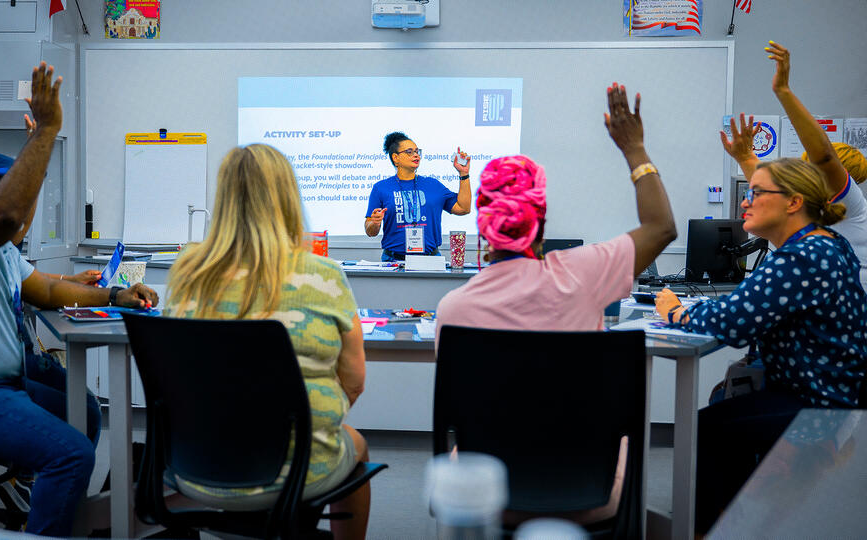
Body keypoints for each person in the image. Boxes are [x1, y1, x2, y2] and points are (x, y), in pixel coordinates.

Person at [0, 63, 158, 537]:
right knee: (71, 452)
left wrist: (116, 292)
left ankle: (59, 508)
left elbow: (46, 288)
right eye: (12, 194)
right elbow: (6, 218)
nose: (25, 210)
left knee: (80, 407)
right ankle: (54, 512)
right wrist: (46, 131)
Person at [435, 83, 677, 524]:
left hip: (489, 498)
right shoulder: (585, 275)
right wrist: (635, 149)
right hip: (589, 488)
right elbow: (661, 227)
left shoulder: (453, 309)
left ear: (483, 222)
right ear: (541, 219)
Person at [165, 143, 370, 540]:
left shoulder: (187, 276)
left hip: (200, 464)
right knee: (357, 445)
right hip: (299, 467)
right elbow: (355, 382)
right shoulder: (324, 276)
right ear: (288, 198)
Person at [654, 158, 867, 533]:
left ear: (793, 202)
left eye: (756, 193)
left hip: (815, 405)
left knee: (706, 428)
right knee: (723, 414)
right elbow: (746, 307)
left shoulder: (799, 257)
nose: (744, 203)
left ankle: (717, 529)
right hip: (840, 395)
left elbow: (732, 324)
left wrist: (674, 311)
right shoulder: (828, 243)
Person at [722, 41, 867, 287]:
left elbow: (824, 156)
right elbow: (770, 187)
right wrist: (745, 157)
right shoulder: (807, 212)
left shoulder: (849, 204)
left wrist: (783, 92)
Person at [364, 132, 472, 261]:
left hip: (430, 259)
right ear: (395, 158)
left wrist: (463, 174)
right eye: (409, 152)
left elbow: (463, 208)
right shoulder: (381, 188)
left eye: (417, 151)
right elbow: (370, 232)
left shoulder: (433, 185)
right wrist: (375, 223)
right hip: (393, 261)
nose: (416, 155)